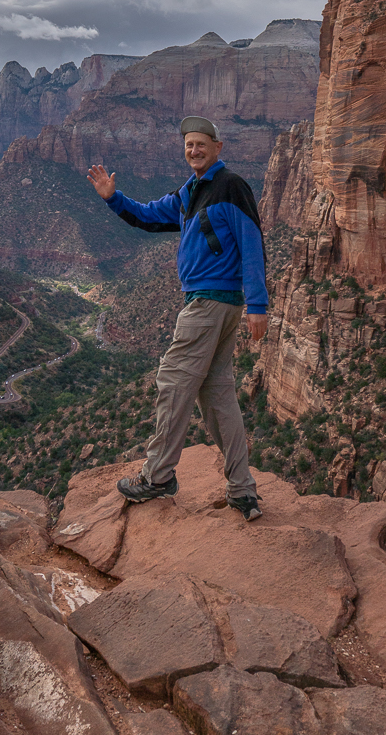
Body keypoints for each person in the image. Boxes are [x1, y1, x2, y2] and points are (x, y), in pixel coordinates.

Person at [86, 116, 267, 521]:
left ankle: (158, 476)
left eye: (202, 144)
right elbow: (149, 217)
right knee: (217, 396)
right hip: (219, 305)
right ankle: (242, 490)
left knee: (173, 381)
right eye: (189, 145)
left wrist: (259, 305)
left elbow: (252, 242)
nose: (194, 150)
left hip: (209, 303)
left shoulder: (230, 185)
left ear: (218, 148)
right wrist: (113, 198)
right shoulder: (190, 191)